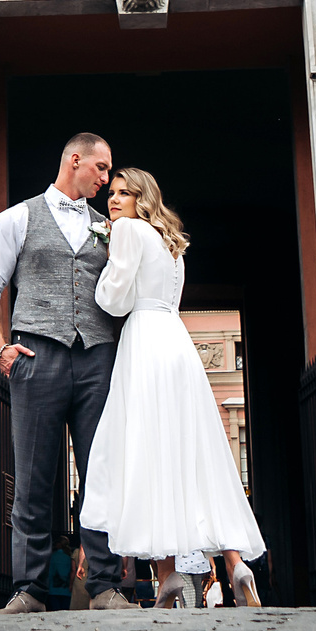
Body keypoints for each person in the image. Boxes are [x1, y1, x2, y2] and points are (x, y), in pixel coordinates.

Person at [79, 167, 267, 608]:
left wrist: (106, 264)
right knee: (193, 451)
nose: (113, 200)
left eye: (124, 193)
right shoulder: (170, 243)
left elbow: (114, 300)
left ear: (142, 198)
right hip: (178, 342)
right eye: (112, 193)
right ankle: (235, 563)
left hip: (145, 341)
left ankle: (167, 574)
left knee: (149, 449)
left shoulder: (127, 231)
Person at [0, 132, 139, 613]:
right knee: (32, 478)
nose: (106, 179)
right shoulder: (18, 218)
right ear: (76, 160)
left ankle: (105, 586)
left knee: (100, 472)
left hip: (97, 357)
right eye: (102, 168)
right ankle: (29, 590)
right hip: (37, 355)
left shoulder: (109, 227)